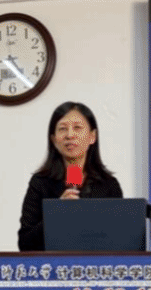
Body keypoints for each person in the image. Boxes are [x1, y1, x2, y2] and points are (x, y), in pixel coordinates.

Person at [18, 102, 123, 251]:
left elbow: (119, 241)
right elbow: (25, 244)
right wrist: (56, 213)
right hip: (54, 264)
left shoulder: (109, 185)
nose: (69, 135)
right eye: (62, 129)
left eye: (77, 128)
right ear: (54, 140)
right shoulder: (40, 183)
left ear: (92, 136)